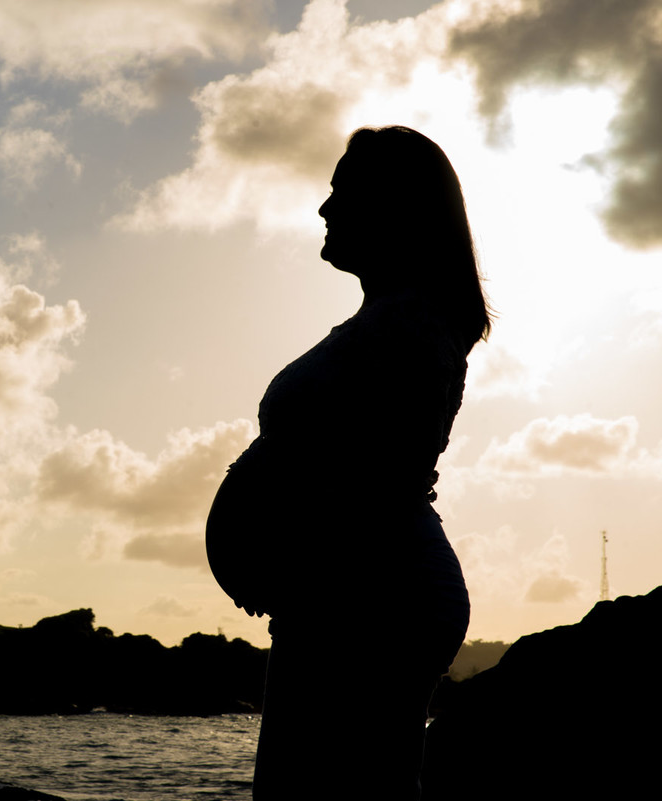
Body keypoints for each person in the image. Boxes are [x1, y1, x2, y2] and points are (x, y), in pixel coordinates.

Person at [205, 126, 490, 800]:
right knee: (312, 800)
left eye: (341, 193)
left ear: (393, 207)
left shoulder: (415, 325)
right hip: (344, 592)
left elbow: (375, 476)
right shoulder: (391, 320)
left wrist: (287, 563)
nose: (325, 210)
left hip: (373, 595)